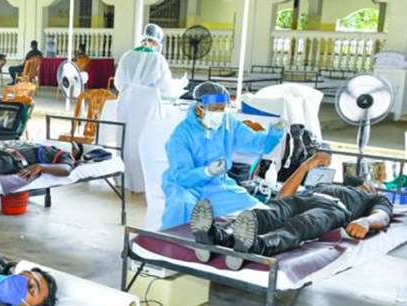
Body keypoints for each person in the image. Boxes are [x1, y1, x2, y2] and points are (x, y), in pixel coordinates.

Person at [189, 152, 394, 270]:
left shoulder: (373, 197)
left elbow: (383, 216)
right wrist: (306, 165)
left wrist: (366, 222)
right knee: (265, 213)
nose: (362, 182)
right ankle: (217, 236)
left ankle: (257, 246)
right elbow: (283, 197)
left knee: (302, 225)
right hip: (301, 199)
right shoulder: (325, 184)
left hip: (334, 209)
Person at [160, 81, 286, 230]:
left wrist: (275, 133)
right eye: (214, 109)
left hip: (217, 184)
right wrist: (207, 171)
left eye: (222, 109)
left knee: (257, 211)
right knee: (183, 208)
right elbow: (181, 176)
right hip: (186, 187)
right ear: (198, 109)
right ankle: (178, 245)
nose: (219, 114)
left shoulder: (228, 123)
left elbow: (258, 145)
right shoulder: (181, 135)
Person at [115, 23, 189, 193]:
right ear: (157, 42)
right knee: (144, 140)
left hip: (125, 102)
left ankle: (123, 179)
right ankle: (142, 183)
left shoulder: (127, 56)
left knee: (125, 140)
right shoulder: (157, 59)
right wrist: (179, 86)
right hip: (146, 104)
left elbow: (119, 83)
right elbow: (166, 88)